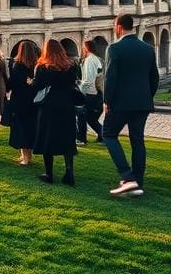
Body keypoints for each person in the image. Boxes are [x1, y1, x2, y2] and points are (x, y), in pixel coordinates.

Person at [103, 14, 160, 197]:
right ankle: (138, 183)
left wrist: (107, 101)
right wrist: (146, 97)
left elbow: (110, 77)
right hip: (142, 103)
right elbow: (154, 78)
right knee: (138, 141)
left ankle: (128, 177)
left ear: (119, 27)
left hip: (120, 102)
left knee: (109, 135)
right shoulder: (148, 48)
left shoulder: (115, 48)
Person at [33, 39, 81, 185]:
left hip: (49, 105)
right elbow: (74, 82)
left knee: (48, 138)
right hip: (67, 104)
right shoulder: (71, 65)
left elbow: (38, 86)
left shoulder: (42, 67)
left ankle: (49, 174)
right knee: (67, 137)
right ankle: (69, 172)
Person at [8, 40, 40, 165]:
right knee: (30, 128)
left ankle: (25, 158)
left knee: (21, 129)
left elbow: (13, 83)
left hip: (20, 101)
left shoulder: (17, 65)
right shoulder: (37, 65)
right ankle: (27, 156)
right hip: (33, 101)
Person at [78, 39, 104, 143]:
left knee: (84, 116)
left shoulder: (89, 60)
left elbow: (88, 80)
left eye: (83, 47)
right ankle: (101, 135)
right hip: (96, 92)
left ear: (86, 48)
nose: (82, 49)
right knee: (90, 118)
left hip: (91, 93)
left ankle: (81, 138)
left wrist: (80, 88)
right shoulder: (96, 59)